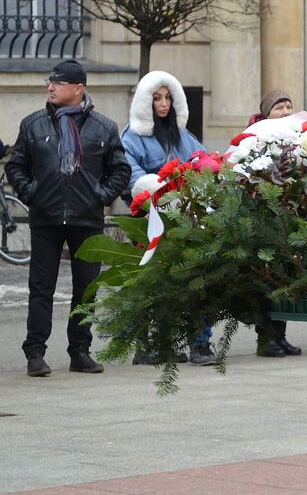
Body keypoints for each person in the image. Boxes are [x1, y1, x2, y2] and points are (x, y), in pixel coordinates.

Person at [6, 59, 131, 377]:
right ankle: (35, 352)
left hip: (86, 220)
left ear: (78, 89)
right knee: (40, 287)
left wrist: (100, 197)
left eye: (58, 83)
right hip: (46, 218)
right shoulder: (33, 124)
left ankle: (80, 351)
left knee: (86, 289)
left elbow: (120, 170)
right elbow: (15, 166)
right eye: (50, 81)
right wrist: (32, 193)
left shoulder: (104, 127)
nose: (51, 87)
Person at [120, 70, 215, 366]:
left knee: (197, 278)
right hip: (150, 221)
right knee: (151, 283)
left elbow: (202, 160)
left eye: (168, 98)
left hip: (187, 218)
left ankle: (201, 343)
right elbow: (129, 173)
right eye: (157, 98)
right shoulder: (132, 137)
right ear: (144, 102)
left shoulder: (184, 135)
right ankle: (148, 345)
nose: (163, 104)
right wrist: (156, 187)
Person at [247, 90, 303, 358]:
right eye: (279, 107)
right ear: (267, 113)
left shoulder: (297, 139)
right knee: (265, 279)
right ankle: (265, 337)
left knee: (284, 278)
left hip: (288, 219)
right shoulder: (253, 139)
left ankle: (279, 335)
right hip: (263, 217)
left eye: (289, 107)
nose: (285, 112)